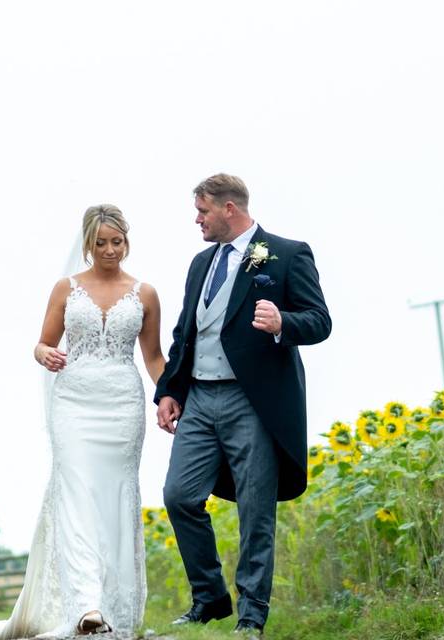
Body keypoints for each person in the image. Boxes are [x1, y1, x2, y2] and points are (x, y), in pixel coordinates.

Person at [0, 204, 165, 640]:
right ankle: (86, 605)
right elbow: (43, 344)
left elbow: (154, 358)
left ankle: (115, 602)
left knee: (115, 499)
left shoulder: (145, 294)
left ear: (127, 241)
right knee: (77, 496)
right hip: (74, 404)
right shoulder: (66, 289)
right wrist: (44, 353)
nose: (108, 250)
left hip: (122, 404)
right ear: (87, 244)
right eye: (99, 243)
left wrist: (171, 395)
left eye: (116, 242)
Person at [155, 174, 331, 637]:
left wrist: (281, 322)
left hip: (253, 401)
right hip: (199, 396)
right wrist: (169, 390)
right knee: (179, 495)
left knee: (255, 509)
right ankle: (210, 599)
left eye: (202, 211)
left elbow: (319, 321)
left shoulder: (288, 254)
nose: (197, 219)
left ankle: (252, 614)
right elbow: (184, 335)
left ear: (229, 208)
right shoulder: (199, 264)